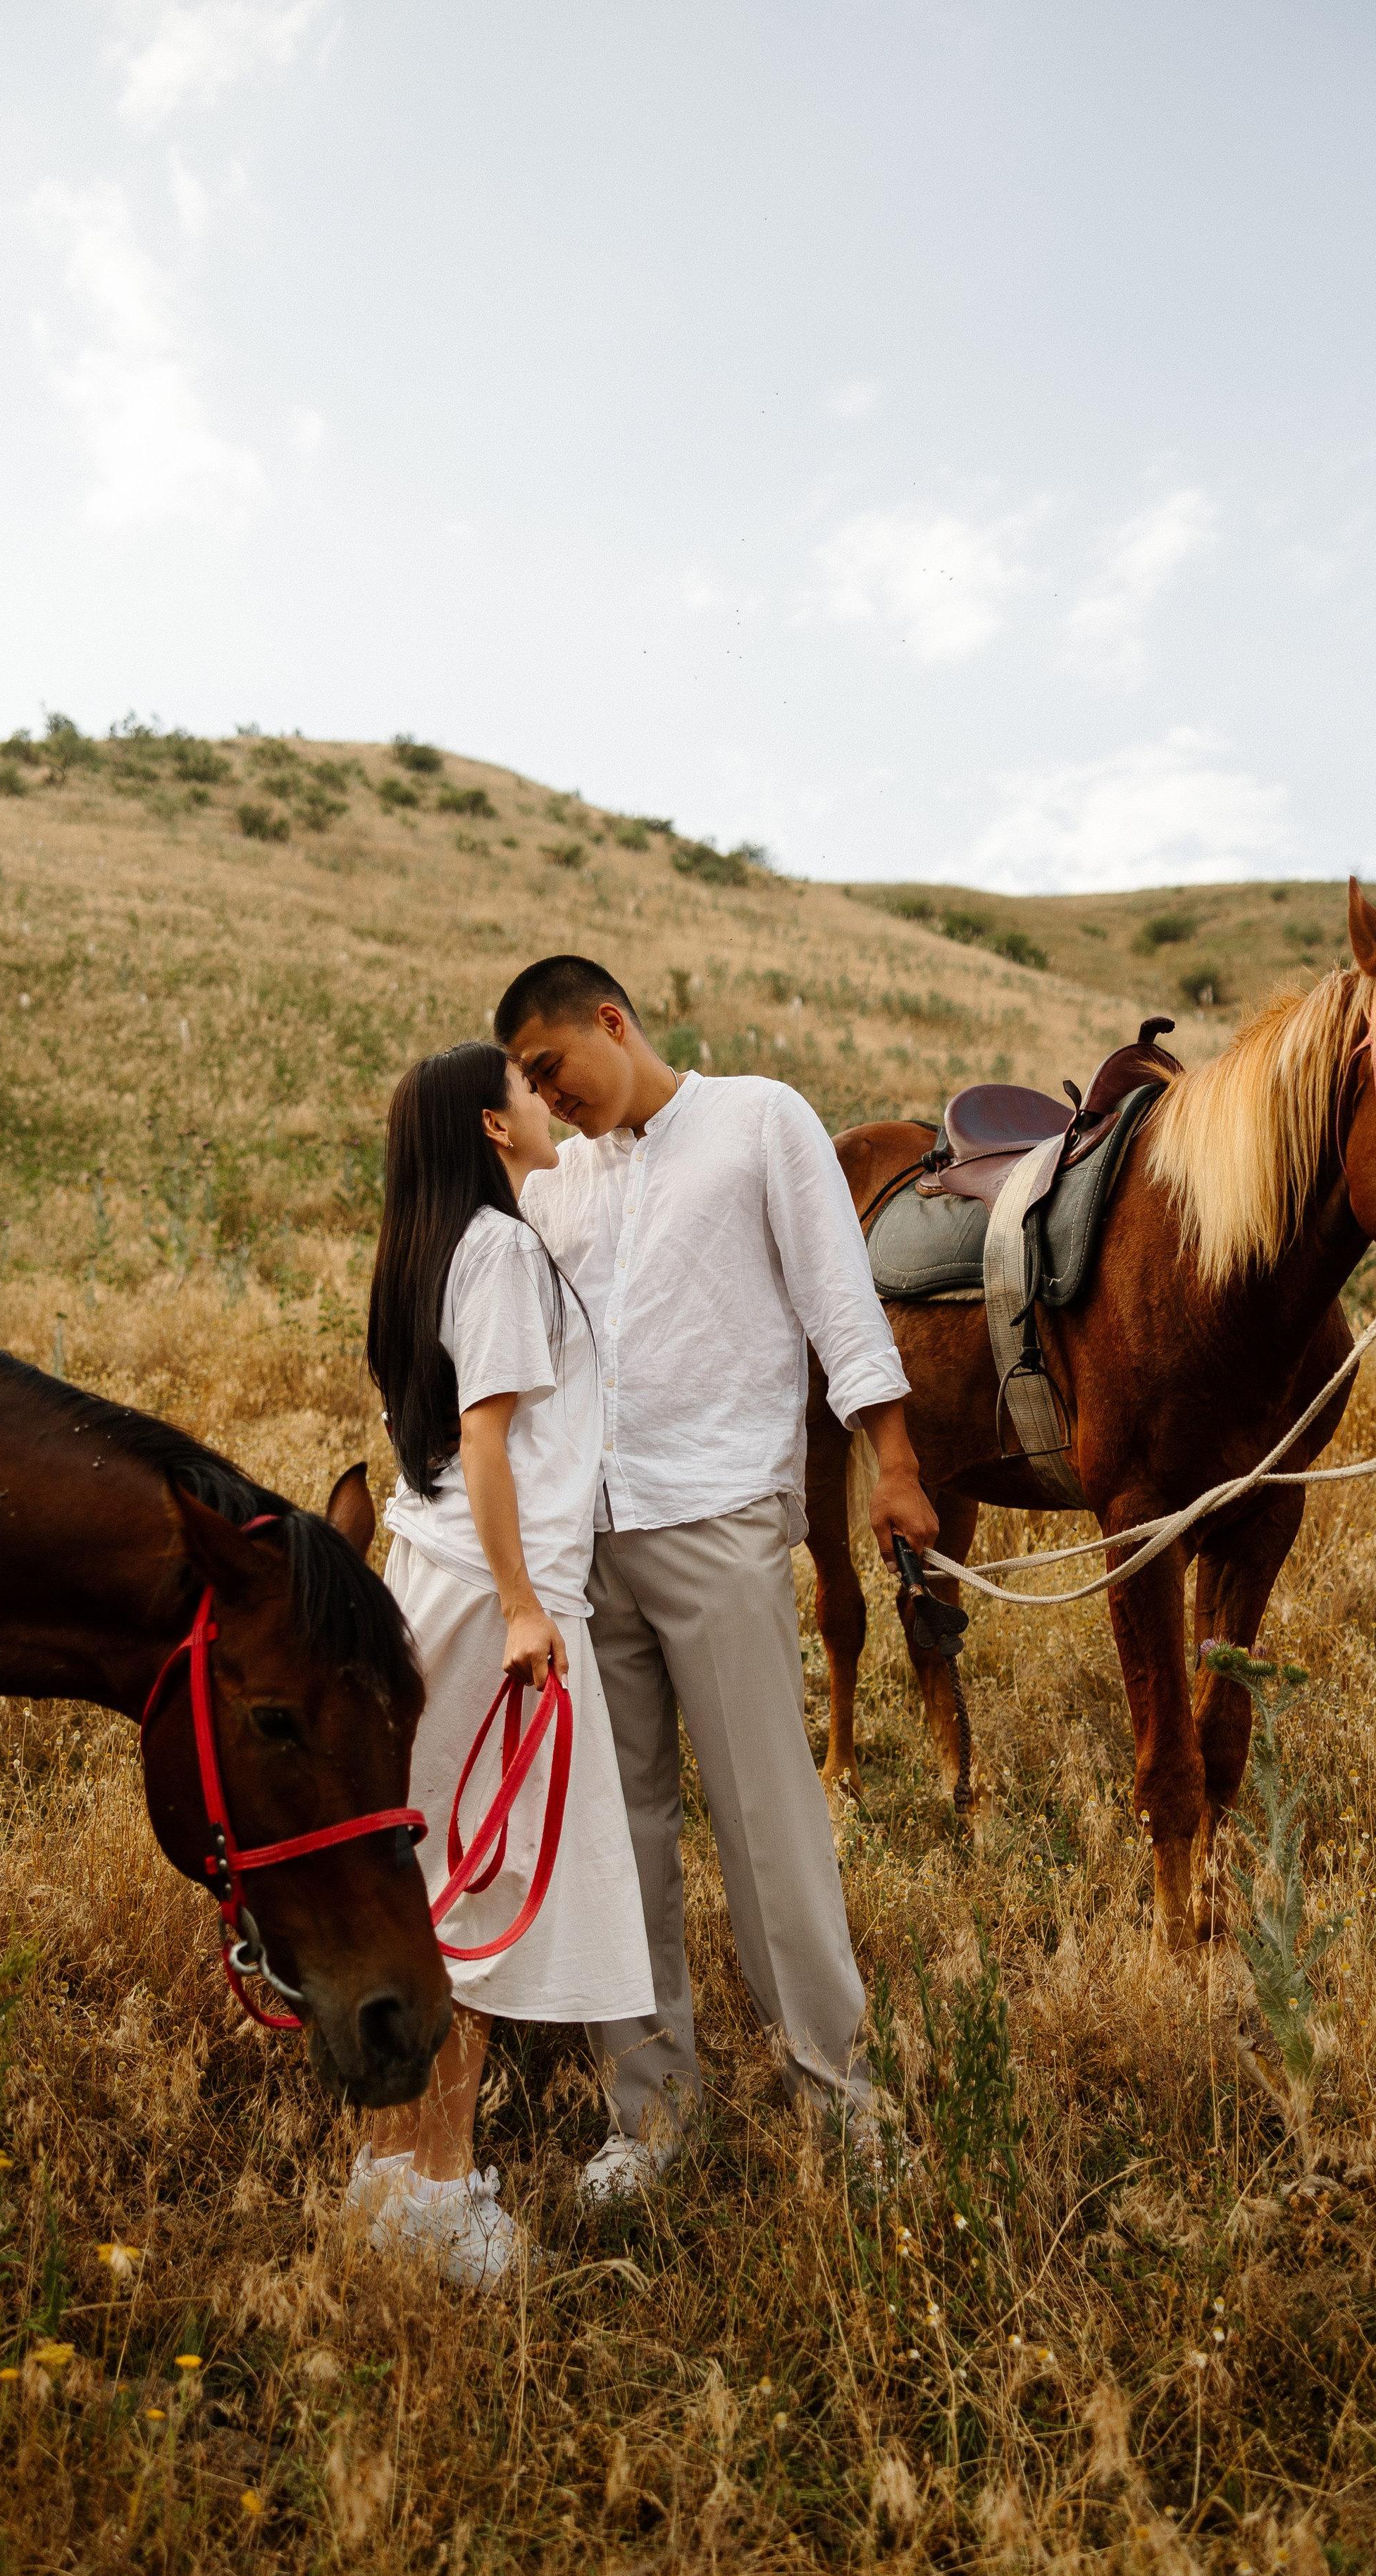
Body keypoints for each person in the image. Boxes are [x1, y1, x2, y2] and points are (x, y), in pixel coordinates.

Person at [493, 954, 939, 2200]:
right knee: (618, 1833)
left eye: (550, 1067)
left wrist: (891, 1465)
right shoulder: (558, 1189)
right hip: (591, 1547)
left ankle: (840, 2098)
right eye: (526, 1084)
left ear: (610, 1021)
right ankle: (651, 2118)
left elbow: (840, 1305)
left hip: (720, 1517)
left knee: (768, 1821)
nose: (546, 1095)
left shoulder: (757, 1118)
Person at [350, 1040, 654, 2288]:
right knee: (483, 1883)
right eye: (529, 1091)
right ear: (493, 1125)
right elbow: (489, 1445)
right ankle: (441, 2192)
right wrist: (530, 1607)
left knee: (429, 1877)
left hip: (435, 1579)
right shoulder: (502, 1252)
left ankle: (387, 2175)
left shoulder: (428, 1252)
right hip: (494, 1596)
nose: (549, 1104)